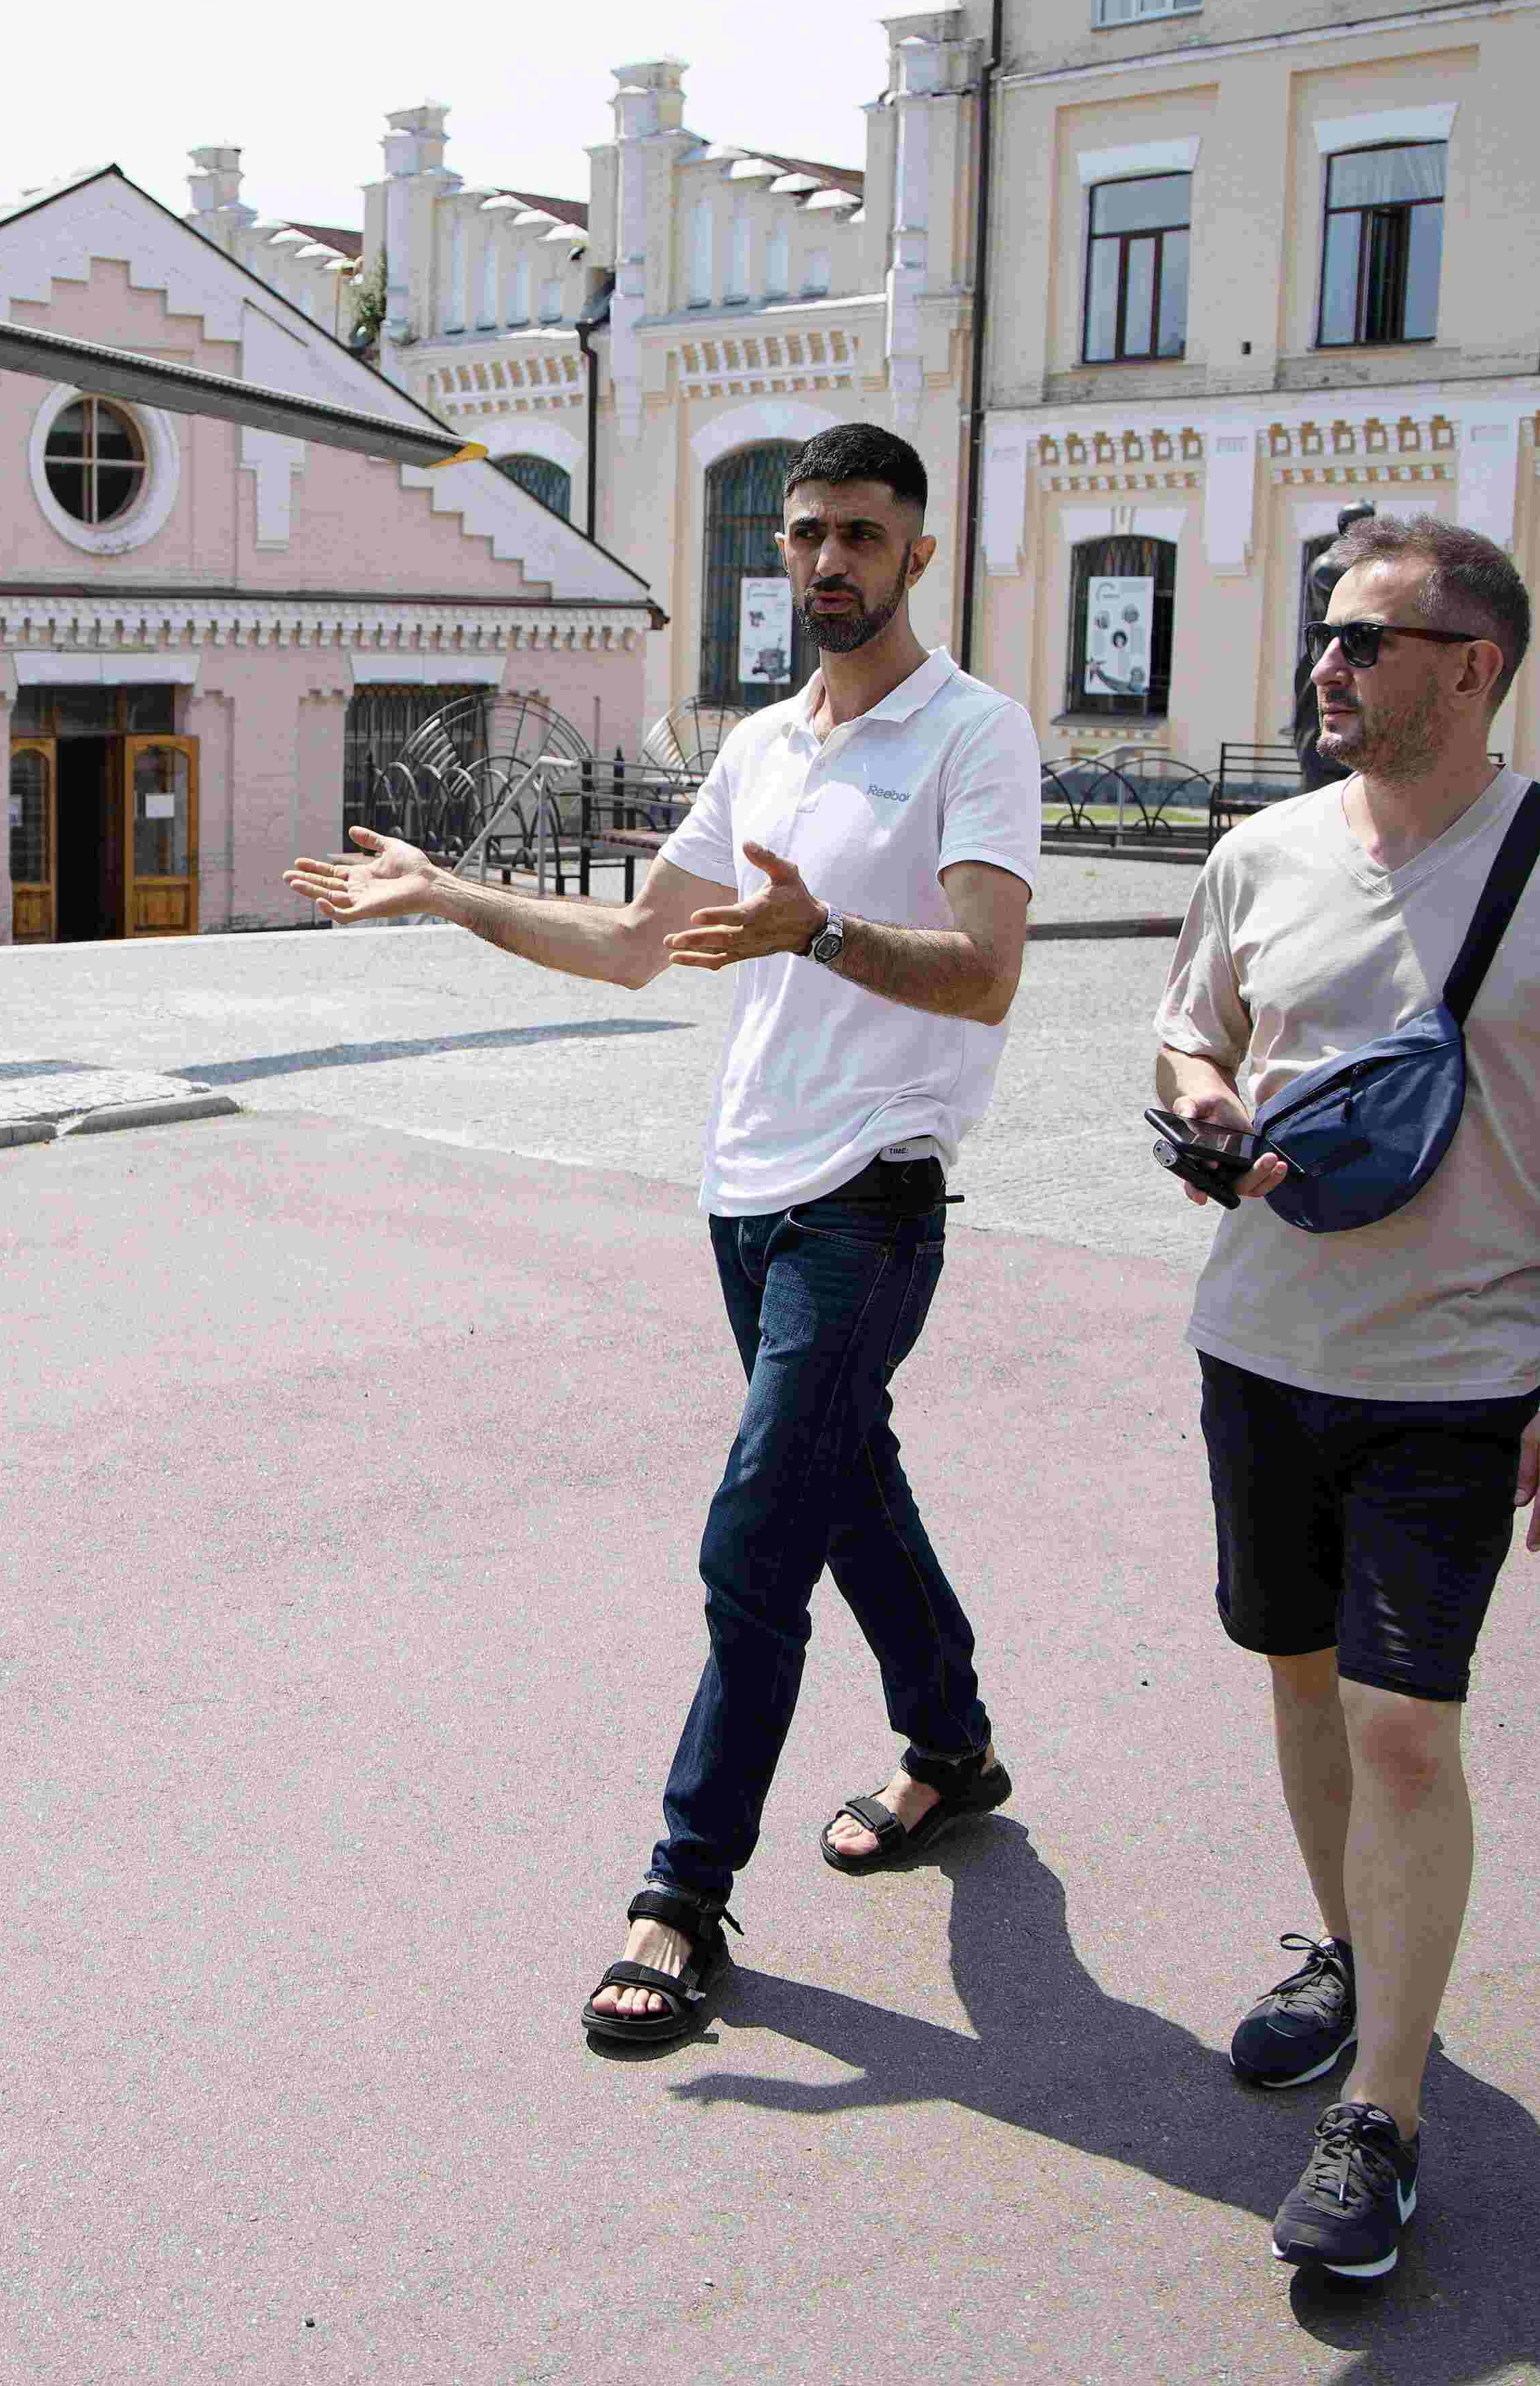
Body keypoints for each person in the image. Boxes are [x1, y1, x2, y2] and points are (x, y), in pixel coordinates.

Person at [286, 422, 1040, 2046]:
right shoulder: (765, 742)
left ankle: (681, 1893)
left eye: (861, 533)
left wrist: (822, 929)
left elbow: (986, 968)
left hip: (872, 1197)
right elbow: (636, 946)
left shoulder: (976, 733)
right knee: (846, 1489)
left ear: (918, 551)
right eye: (805, 533)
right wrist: (447, 894)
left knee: (756, 1535)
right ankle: (955, 1744)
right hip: (747, 1197)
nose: (828, 559)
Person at [1153, 513, 1540, 2282]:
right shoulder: (1262, 853)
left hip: (1460, 1385)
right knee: (1303, 1678)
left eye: (1366, 642)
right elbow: (1191, 1030)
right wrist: (1205, 1106)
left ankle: (1381, 2115)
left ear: (1474, 667)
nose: (1327, 665)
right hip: (1260, 1350)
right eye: (1325, 639)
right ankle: (1350, 1955)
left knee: (1407, 1724)